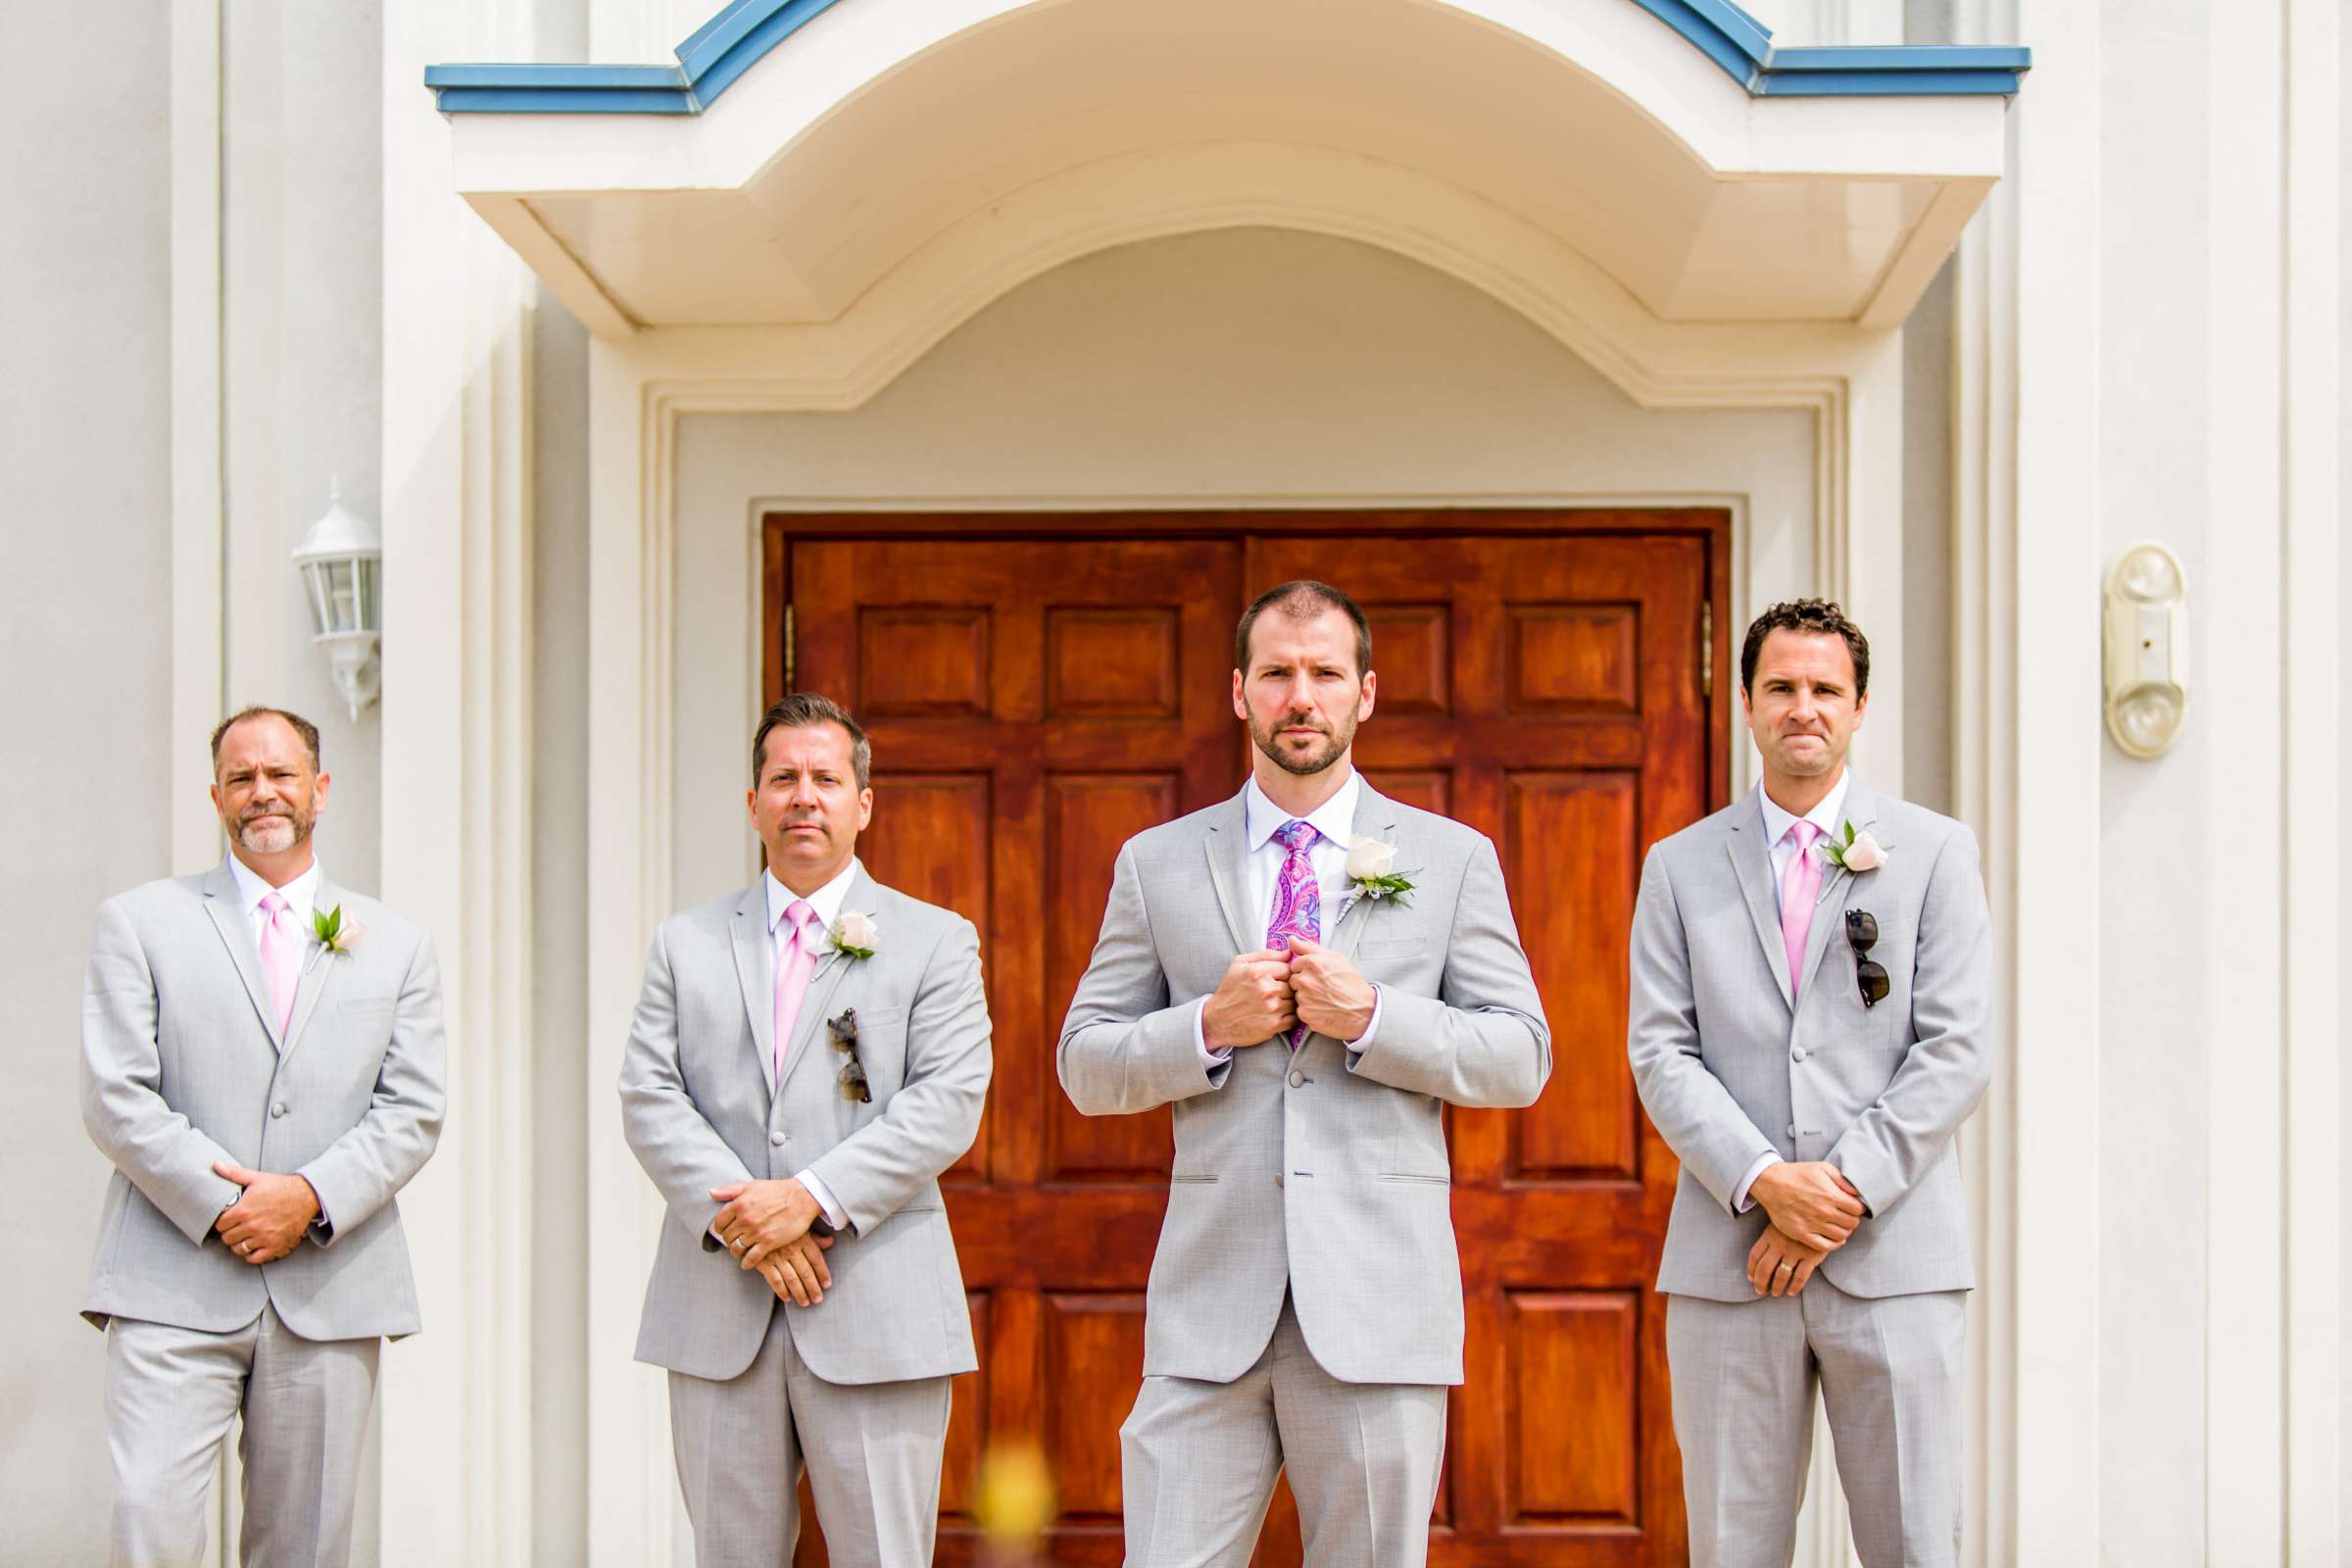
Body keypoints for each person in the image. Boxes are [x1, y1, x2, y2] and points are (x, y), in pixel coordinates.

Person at [1058, 579, 1550, 1568]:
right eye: (1278, 673)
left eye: (1325, 672)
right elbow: (1084, 1064)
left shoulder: (1454, 859)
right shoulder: (1155, 861)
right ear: (1239, 692)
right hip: (1208, 1313)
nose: (1302, 696)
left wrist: (1377, 1018)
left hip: (1378, 1310)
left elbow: (1520, 1057)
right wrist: (1207, 1024)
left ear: (1366, 692)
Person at [1627, 599, 1993, 1568]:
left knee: (1915, 1543)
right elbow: (1662, 1050)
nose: (1803, 707)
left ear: (1860, 705)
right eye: (1781, 687)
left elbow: (1956, 1047)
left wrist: (1834, 1193)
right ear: (1746, 703)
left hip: (1894, 1259)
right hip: (1727, 1260)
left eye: (1825, 688)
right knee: (1732, 1548)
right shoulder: (1678, 866)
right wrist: (1762, 1178)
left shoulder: (1936, 852)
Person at [620, 692, 992, 1566]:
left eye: (826, 778)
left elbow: (947, 1099)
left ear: (863, 803)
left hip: (876, 1304)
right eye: (783, 778)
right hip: (720, 1309)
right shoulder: (688, 943)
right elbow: (649, 1094)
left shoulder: (936, 941)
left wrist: (811, 1201)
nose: (803, 797)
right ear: (752, 802)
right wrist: (749, 1224)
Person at [80, 706, 447, 1568]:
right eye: (241, 777)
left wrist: (308, 1198)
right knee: (150, 1521)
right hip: (171, 1278)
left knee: (307, 1545)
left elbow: (413, 1109)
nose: (262, 793)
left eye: (280, 774)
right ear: (217, 795)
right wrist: (227, 1204)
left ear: (319, 788)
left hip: (329, 1284)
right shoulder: (140, 922)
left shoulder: (396, 945)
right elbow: (114, 1093)